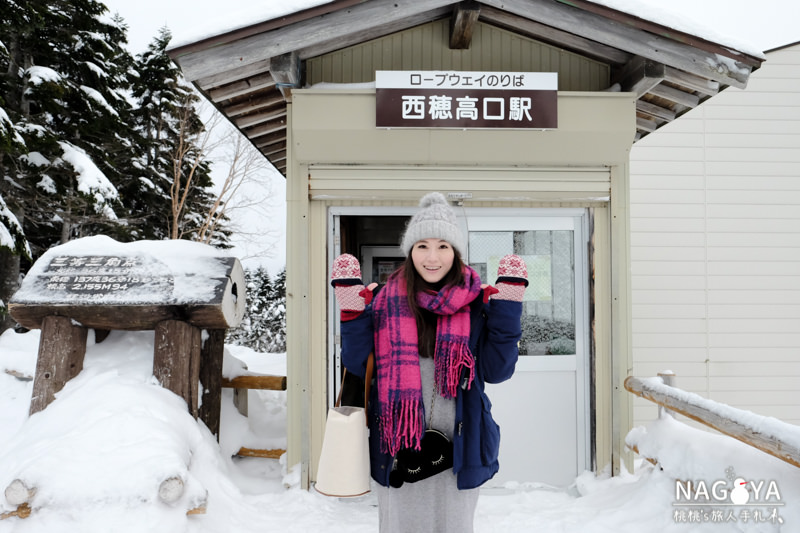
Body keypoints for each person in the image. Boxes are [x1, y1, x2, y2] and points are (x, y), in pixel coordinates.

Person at [329, 192, 527, 532]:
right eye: (422, 246)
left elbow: (497, 371)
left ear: (456, 252)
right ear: (409, 251)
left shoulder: (478, 304)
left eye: (443, 246)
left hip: (459, 449)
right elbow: (359, 366)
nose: (432, 257)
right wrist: (353, 315)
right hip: (399, 444)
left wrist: (506, 310)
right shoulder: (383, 301)